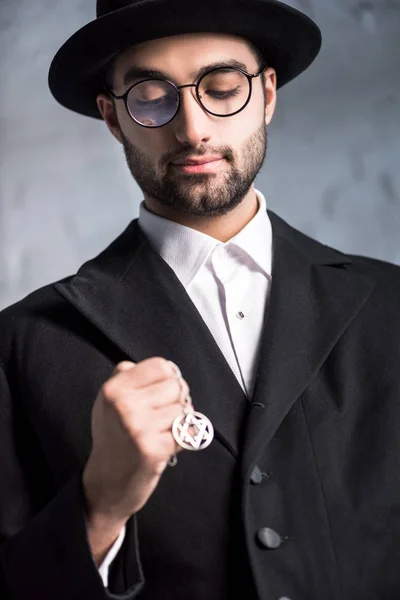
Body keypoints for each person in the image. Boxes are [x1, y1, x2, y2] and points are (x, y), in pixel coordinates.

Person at [1, 0, 400, 598]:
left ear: (267, 94)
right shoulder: (22, 343)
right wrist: (99, 506)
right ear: (113, 119)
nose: (193, 129)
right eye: (152, 97)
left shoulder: (392, 306)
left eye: (220, 88)